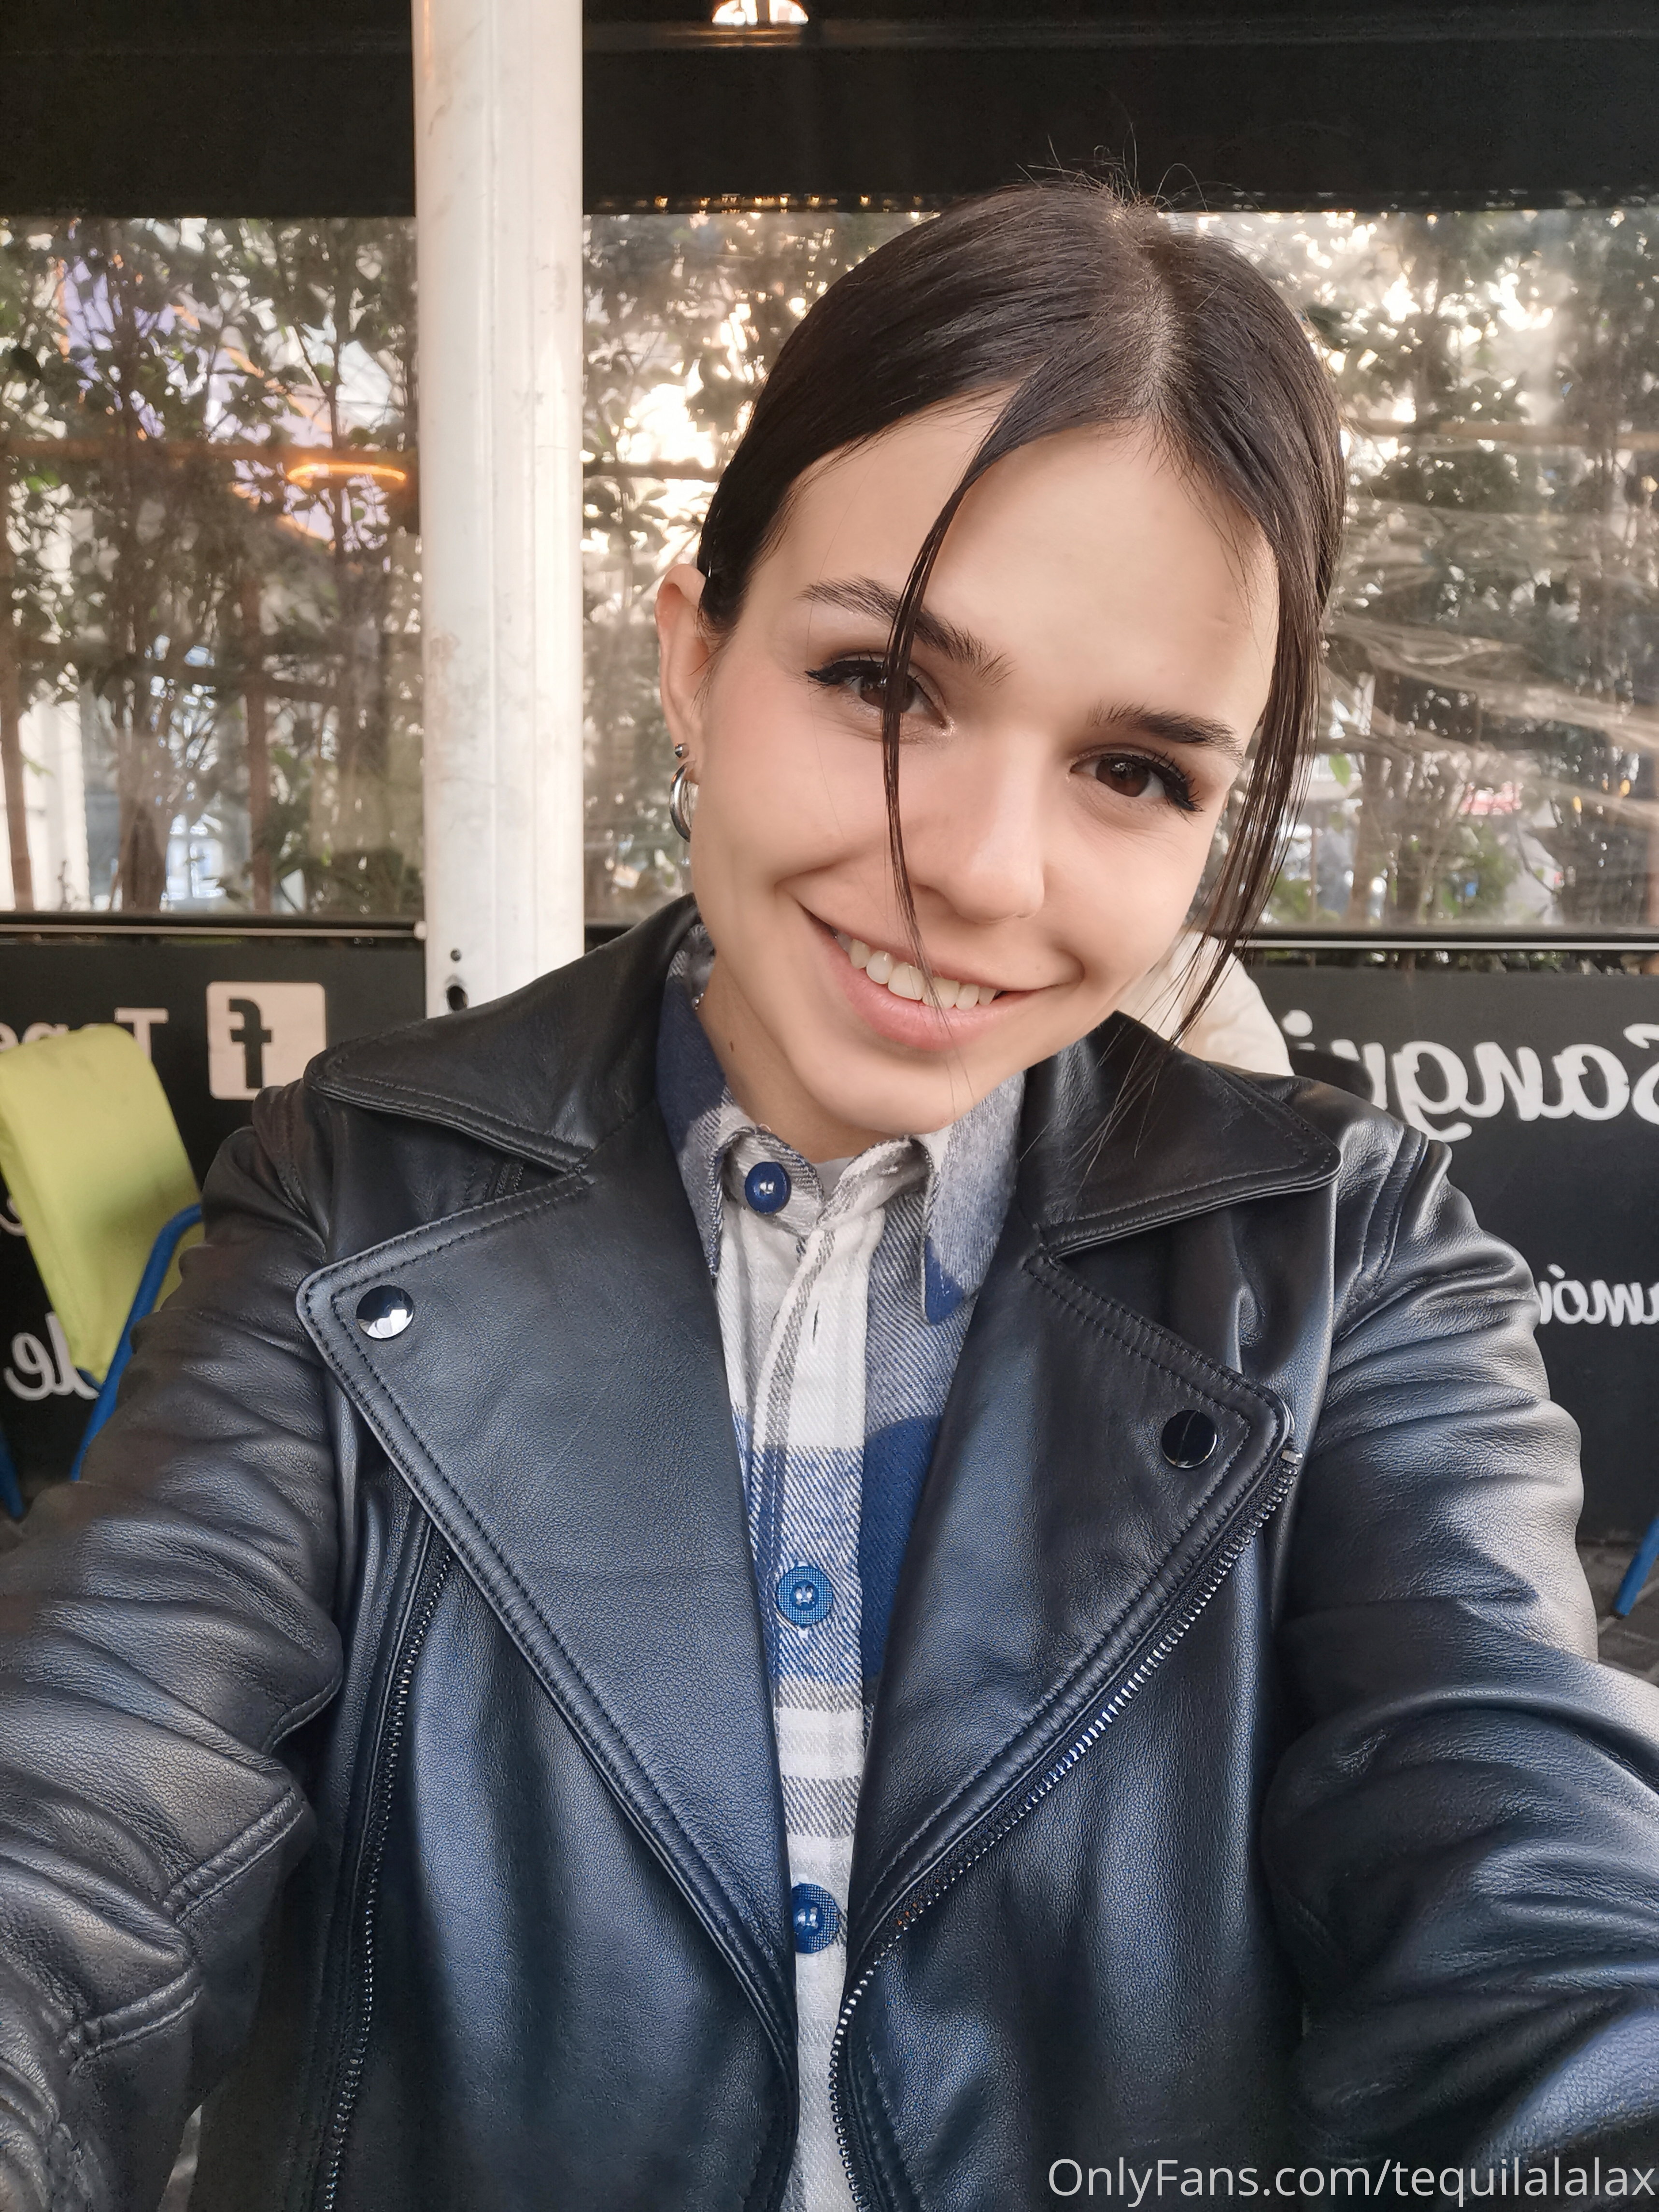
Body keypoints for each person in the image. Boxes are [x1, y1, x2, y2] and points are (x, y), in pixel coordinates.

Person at [4, 185, 1659, 2212]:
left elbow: (1534, 1886)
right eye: (883, 681)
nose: (982, 866)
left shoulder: (1347, 1261)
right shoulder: (354, 1196)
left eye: (1134, 770)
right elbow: (77, 1821)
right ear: (694, 657)